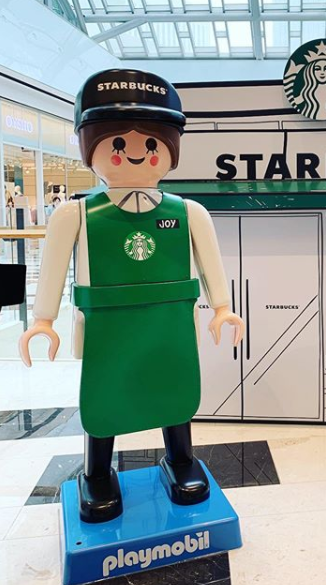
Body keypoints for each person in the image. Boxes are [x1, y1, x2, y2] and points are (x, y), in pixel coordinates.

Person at [19, 69, 244, 523]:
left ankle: (181, 459)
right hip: (107, 324)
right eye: (118, 143)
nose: (136, 154)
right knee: (105, 394)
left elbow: (210, 264)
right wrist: (43, 320)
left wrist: (223, 307)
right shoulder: (76, 214)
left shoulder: (189, 212)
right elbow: (54, 267)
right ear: (91, 148)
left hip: (169, 321)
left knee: (175, 387)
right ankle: (97, 471)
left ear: (171, 150)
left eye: (152, 142)